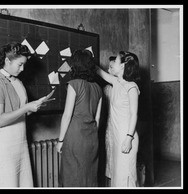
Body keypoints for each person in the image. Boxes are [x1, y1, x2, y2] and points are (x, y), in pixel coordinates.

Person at [0, 42, 46, 187]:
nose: (23, 68)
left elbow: (19, 112)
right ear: (7, 61)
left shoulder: (18, 82)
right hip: (5, 148)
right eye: (20, 64)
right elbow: (0, 120)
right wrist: (26, 108)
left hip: (21, 144)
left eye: (24, 64)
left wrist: (32, 107)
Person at [56, 49, 103, 187]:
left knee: (72, 176)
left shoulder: (74, 84)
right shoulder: (98, 88)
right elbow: (98, 119)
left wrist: (60, 140)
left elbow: (67, 115)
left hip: (75, 137)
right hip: (92, 138)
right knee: (89, 175)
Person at [96, 51, 141, 187]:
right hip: (116, 136)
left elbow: (134, 114)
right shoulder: (115, 81)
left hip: (126, 137)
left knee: (126, 178)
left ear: (123, 66)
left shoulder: (131, 87)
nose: (112, 64)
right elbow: (99, 71)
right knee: (117, 176)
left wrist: (128, 138)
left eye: (115, 61)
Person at [103, 56, 116, 187]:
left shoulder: (125, 87)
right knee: (110, 163)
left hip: (120, 131)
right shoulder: (106, 89)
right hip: (109, 129)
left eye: (111, 67)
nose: (108, 69)